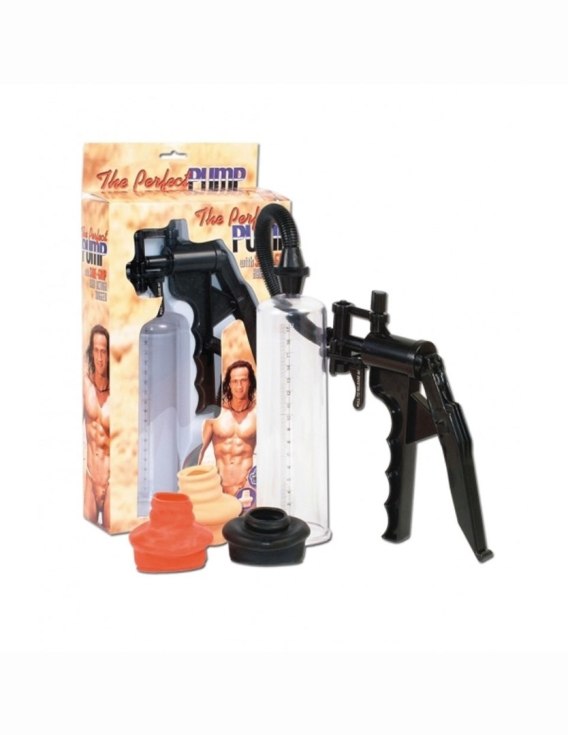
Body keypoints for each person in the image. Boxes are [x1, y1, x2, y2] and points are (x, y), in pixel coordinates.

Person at [198, 360, 256, 499]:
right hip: (219, 493)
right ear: (229, 384)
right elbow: (198, 454)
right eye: (235, 381)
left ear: (250, 382)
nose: (239, 386)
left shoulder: (257, 415)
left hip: (247, 493)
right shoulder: (215, 416)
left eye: (243, 380)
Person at [83, 325, 110, 527]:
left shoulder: (117, 390)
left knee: (113, 534)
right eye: (96, 351)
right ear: (91, 352)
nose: (99, 358)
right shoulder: (85, 386)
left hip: (111, 483)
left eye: (103, 351)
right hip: (90, 477)